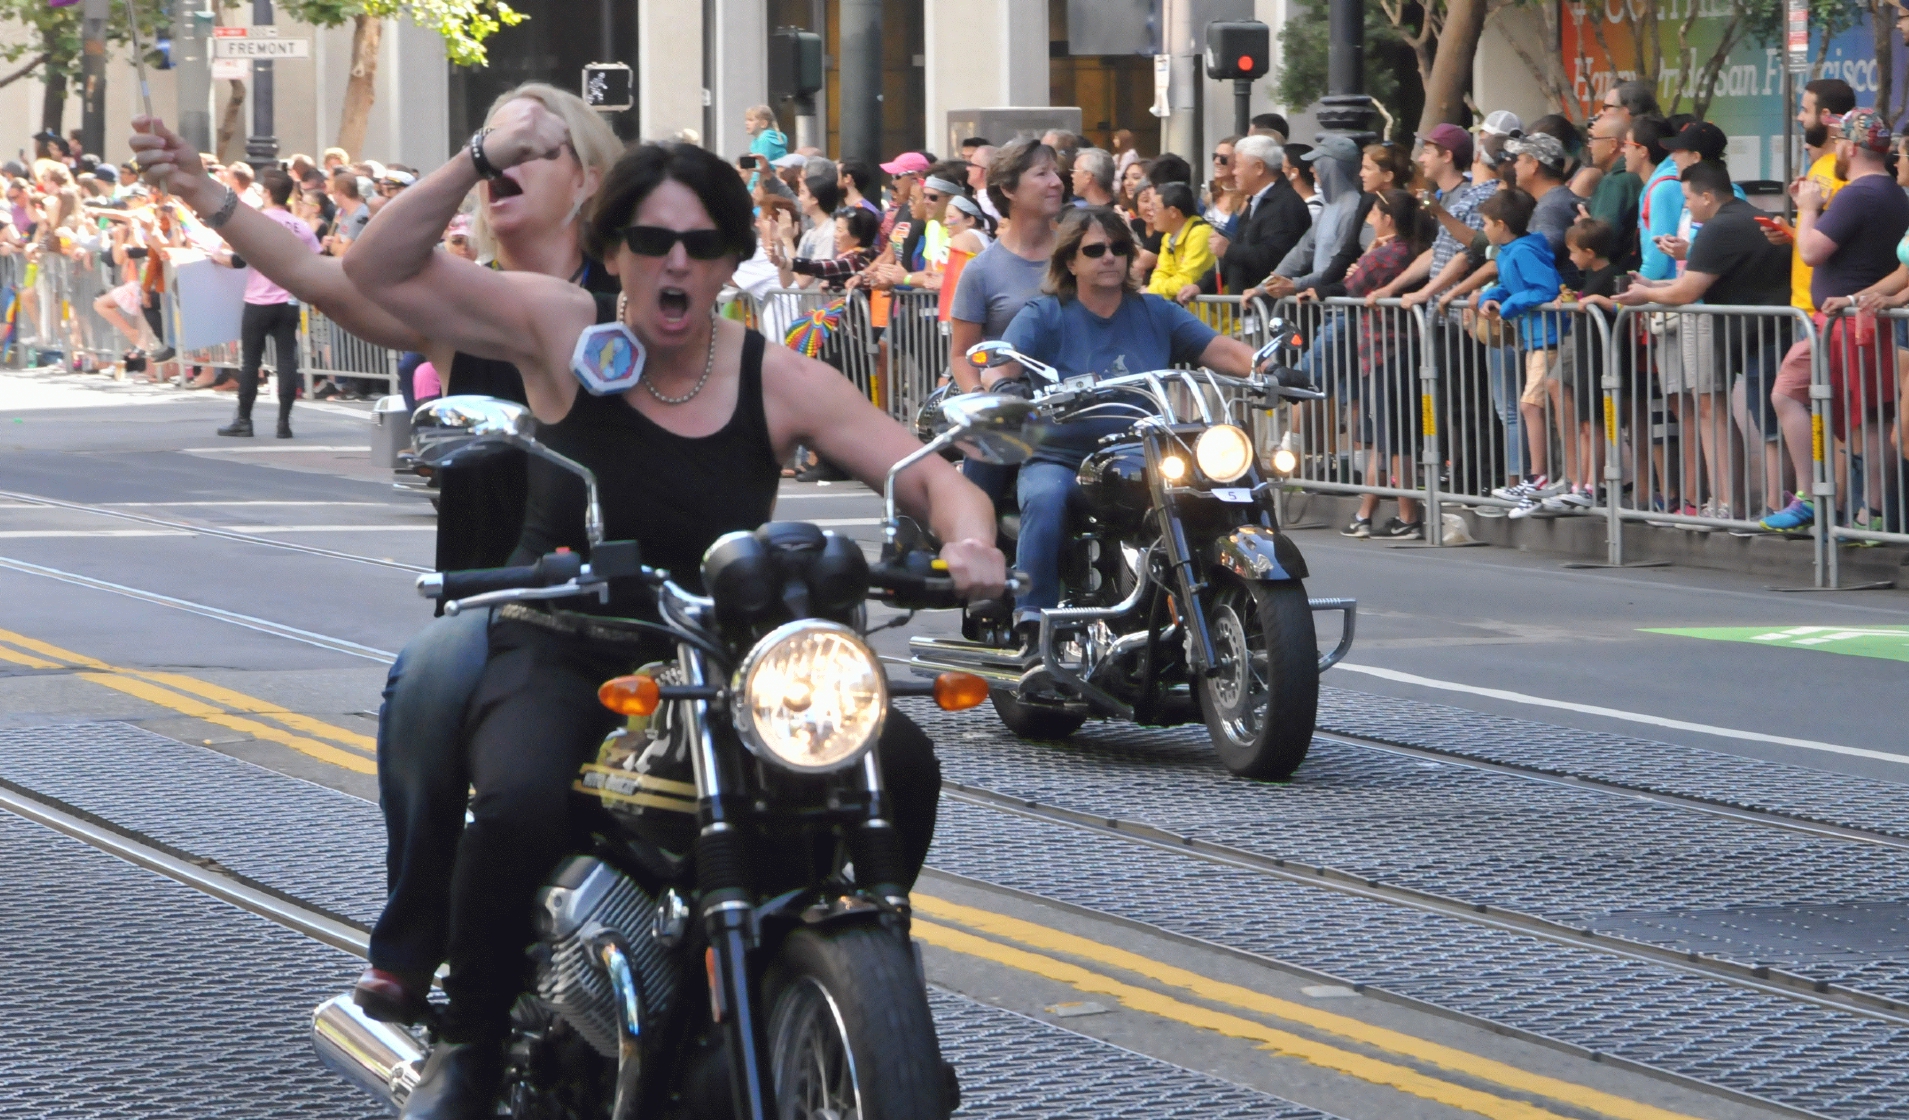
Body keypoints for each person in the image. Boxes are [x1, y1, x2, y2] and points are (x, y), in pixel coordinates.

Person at [342, 107, 1005, 1114]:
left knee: (896, 761)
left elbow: (928, 475)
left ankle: (869, 997)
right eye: (650, 240)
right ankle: (470, 1041)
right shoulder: (562, 332)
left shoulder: (769, 374)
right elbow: (377, 269)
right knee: (520, 796)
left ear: (733, 258)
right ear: (609, 249)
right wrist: (477, 155)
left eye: (701, 244)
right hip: (570, 642)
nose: (674, 264)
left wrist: (969, 540)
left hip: (731, 661)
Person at [977, 207, 1261, 637]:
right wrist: (1004, 387)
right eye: (1094, 250)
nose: (1108, 257)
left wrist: (1267, 366)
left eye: (1119, 248)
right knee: (1047, 501)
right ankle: (1032, 622)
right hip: (1063, 453)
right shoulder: (1044, 314)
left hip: (1144, 450)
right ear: (1070, 261)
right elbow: (999, 365)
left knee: (1223, 488)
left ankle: (1247, 603)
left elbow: (1221, 350)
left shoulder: (1155, 312)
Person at [1609, 160, 1791, 522]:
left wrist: (1644, 297)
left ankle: (1777, 508)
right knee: (1769, 422)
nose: (1686, 206)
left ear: (1708, 196)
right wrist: (1651, 287)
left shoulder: (1719, 228)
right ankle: (1767, 506)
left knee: (1772, 427)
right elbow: (1696, 282)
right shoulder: (1740, 217)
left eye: (1689, 198)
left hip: (1766, 335)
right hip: (1763, 334)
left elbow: (1688, 291)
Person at [1764, 109, 1909, 532]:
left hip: (1846, 323)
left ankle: (1814, 497)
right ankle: (1870, 514)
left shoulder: (1859, 194)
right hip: (1859, 316)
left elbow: (1811, 252)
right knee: (1873, 417)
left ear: (1848, 146)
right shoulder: (1890, 195)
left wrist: (1807, 208)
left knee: (1789, 391)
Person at [1321, 189, 1428, 539]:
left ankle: (1406, 515)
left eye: (1375, 214)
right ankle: (1369, 513)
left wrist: (1366, 256)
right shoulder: (1406, 252)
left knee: (1393, 438)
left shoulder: (1390, 254)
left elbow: (1352, 284)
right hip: (1391, 352)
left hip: (1388, 351)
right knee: (1387, 438)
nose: (1369, 219)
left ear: (1388, 219)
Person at [1470, 188, 1567, 517]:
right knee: (1535, 407)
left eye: (1485, 222)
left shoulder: (1524, 251)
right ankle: (1539, 482)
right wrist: (1489, 298)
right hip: (1533, 338)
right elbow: (1510, 286)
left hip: (1548, 337)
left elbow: (1545, 288)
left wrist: (1508, 305)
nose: (1482, 228)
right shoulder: (1508, 252)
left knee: (1530, 405)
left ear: (1501, 224)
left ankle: (1537, 479)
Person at [948, 137, 1063, 392]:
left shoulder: (1081, 253)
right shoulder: (981, 270)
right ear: (1009, 190)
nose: (1056, 182)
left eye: (1056, 172)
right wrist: (984, 400)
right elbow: (961, 355)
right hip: (1017, 409)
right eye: (1042, 173)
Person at [215, 168, 320, 440]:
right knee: (287, 359)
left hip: (259, 298)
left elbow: (239, 260)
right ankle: (284, 422)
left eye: (263, 191)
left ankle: (244, 420)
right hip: (289, 299)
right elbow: (317, 258)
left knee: (251, 362)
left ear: (269, 193)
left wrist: (218, 257)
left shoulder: (258, 222)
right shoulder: (301, 225)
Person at [1218, 135, 1310, 298]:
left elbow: (1272, 257)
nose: (1234, 172)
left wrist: (1228, 249)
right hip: (1248, 305)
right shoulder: (1256, 201)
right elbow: (1235, 255)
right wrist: (1199, 286)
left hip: (1270, 306)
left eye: (1238, 165)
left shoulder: (1286, 205)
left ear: (1259, 167)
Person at [1145, 181, 1214, 303]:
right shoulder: (1168, 237)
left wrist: (1152, 290)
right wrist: (1156, 288)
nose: (1151, 213)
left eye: (1155, 208)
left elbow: (1186, 280)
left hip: (1215, 319)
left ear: (1173, 212)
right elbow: (1160, 273)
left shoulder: (1200, 234)